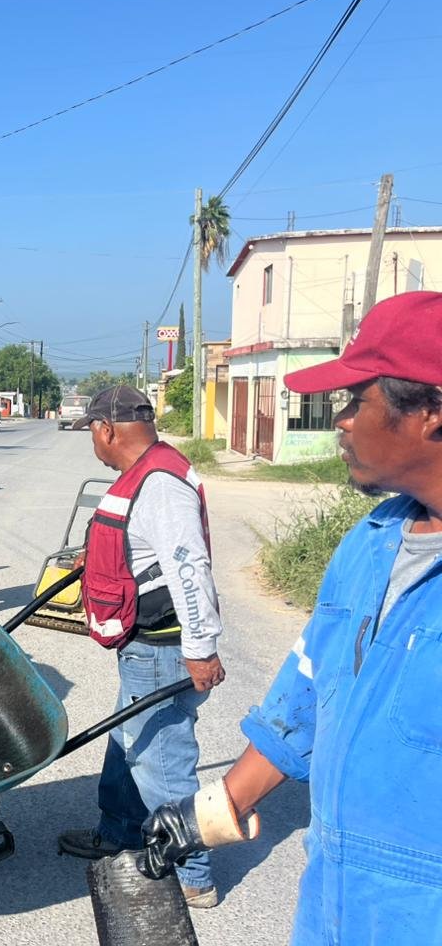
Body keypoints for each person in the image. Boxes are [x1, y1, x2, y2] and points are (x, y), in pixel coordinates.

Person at [141, 290, 442, 943]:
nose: (339, 422)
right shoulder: (370, 545)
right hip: (334, 908)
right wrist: (210, 816)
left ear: (432, 413)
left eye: (354, 400)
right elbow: (305, 699)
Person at [54, 384, 226, 909]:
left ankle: (193, 873)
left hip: (164, 648)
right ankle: (121, 830)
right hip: (143, 646)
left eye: (92, 433)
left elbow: (189, 568)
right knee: (129, 740)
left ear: (107, 429)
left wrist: (200, 647)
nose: (94, 444)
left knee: (161, 760)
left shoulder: (159, 484)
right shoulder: (145, 473)